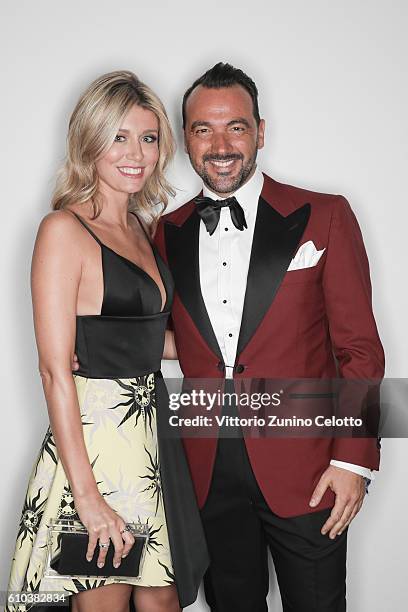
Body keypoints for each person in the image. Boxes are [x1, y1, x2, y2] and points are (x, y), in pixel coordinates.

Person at [153, 63, 385, 611]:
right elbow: (176, 338)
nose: (220, 144)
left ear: (261, 131)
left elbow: (360, 349)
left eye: (235, 126)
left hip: (308, 467)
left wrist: (353, 460)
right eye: (202, 129)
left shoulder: (325, 216)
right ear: (184, 139)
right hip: (206, 468)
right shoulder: (167, 231)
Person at [5, 70, 208, 612]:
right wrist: (89, 500)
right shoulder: (62, 230)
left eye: (148, 138)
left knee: (162, 604)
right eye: (118, 137)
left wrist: (246, 350)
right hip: (96, 452)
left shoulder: (143, 227)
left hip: (151, 443)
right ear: (88, 141)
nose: (136, 154)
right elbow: (53, 371)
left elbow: (149, 342)